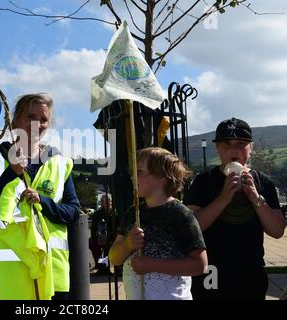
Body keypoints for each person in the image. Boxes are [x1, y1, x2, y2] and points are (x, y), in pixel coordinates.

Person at [0, 93, 80, 300]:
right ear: (15, 120)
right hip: (7, 274)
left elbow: (73, 212)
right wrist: (11, 173)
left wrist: (44, 202)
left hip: (52, 272)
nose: (37, 124)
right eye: (31, 117)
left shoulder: (59, 162)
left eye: (44, 119)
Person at [184, 118, 285, 300]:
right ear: (218, 148)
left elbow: (277, 230)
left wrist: (255, 196)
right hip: (211, 271)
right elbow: (191, 228)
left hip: (251, 271)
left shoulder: (263, 183)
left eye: (240, 144)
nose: (233, 150)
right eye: (226, 144)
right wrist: (223, 198)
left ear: (251, 148)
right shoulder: (204, 181)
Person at [109, 147, 207, 300]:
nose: (132, 177)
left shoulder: (181, 214)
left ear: (162, 176)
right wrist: (128, 245)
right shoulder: (133, 213)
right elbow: (114, 258)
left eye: (139, 172)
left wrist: (152, 265)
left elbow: (200, 265)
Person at [89, 193, 116, 275]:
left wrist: (111, 238)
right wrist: (96, 239)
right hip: (100, 238)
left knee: (109, 247)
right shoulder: (97, 214)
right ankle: (100, 266)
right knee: (91, 243)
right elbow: (93, 229)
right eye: (104, 201)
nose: (107, 203)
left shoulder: (116, 213)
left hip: (112, 238)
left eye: (109, 201)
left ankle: (107, 268)